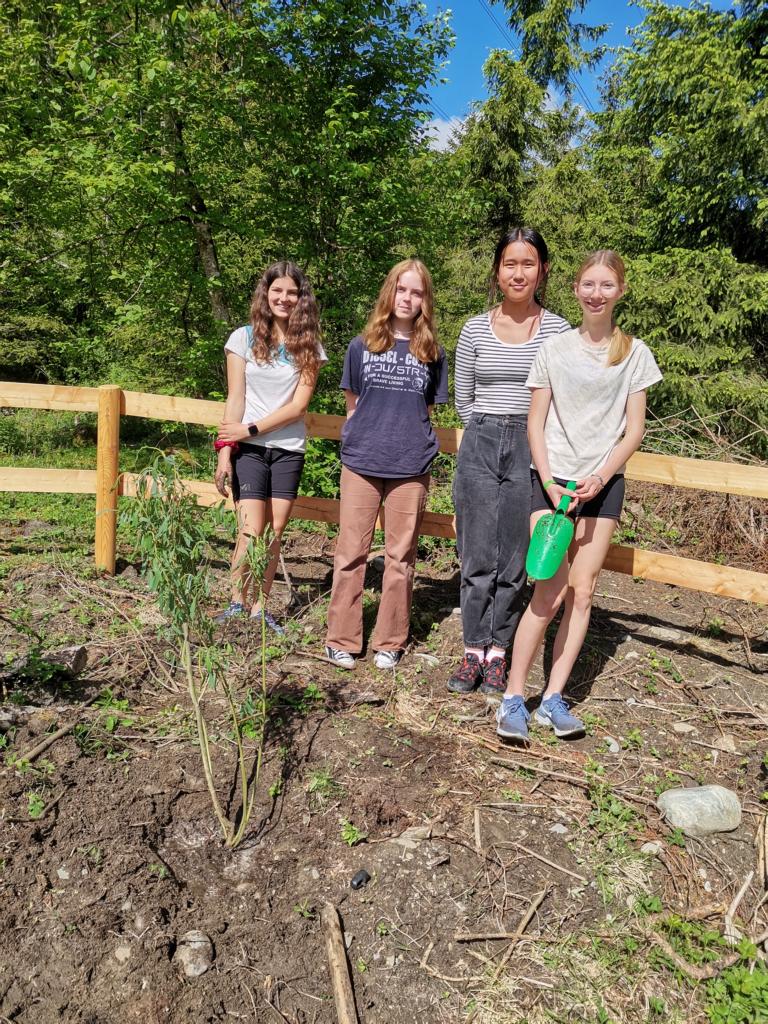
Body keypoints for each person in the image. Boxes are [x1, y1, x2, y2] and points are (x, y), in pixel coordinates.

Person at [496, 250, 662, 742]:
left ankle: (552, 699)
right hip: (550, 483)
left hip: (602, 486)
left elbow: (633, 431)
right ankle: (511, 699)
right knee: (548, 590)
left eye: (606, 285)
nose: (596, 293)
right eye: (588, 284)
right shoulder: (554, 349)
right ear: (575, 289)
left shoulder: (635, 354)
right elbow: (535, 420)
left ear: (620, 291)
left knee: (584, 592)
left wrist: (600, 477)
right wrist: (549, 481)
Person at [448, 228, 570, 696]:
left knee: (516, 556)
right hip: (480, 438)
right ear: (497, 272)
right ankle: (473, 648)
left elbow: (562, 396)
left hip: (531, 445)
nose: (518, 272)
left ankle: (500, 652)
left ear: (542, 270)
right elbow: (464, 398)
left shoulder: (558, 329)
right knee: (476, 552)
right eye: (509, 264)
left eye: (528, 263)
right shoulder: (475, 328)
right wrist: (483, 434)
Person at [324, 259, 448, 670]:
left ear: (425, 299)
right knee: (350, 552)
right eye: (402, 289)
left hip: (410, 465)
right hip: (362, 461)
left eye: (416, 292)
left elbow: (424, 409)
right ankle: (342, 637)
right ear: (389, 292)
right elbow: (354, 406)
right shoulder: (362, 346)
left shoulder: (432, 352)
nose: (408, 298)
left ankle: (390, 641)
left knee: (400, 557)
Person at [214, 261, 325, 630]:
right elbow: (235, 399)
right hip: (249, 451)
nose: (284, 298)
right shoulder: (242, 339)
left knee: (274, 533)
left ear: (301, 298)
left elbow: (298, 406)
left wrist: (250, 428)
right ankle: (236, 603)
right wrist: (227, 450)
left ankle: (261, 607)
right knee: (250, 530)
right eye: (277, 291)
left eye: (292, 292)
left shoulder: (309, 347)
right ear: (266, 294)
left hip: (288, 450)